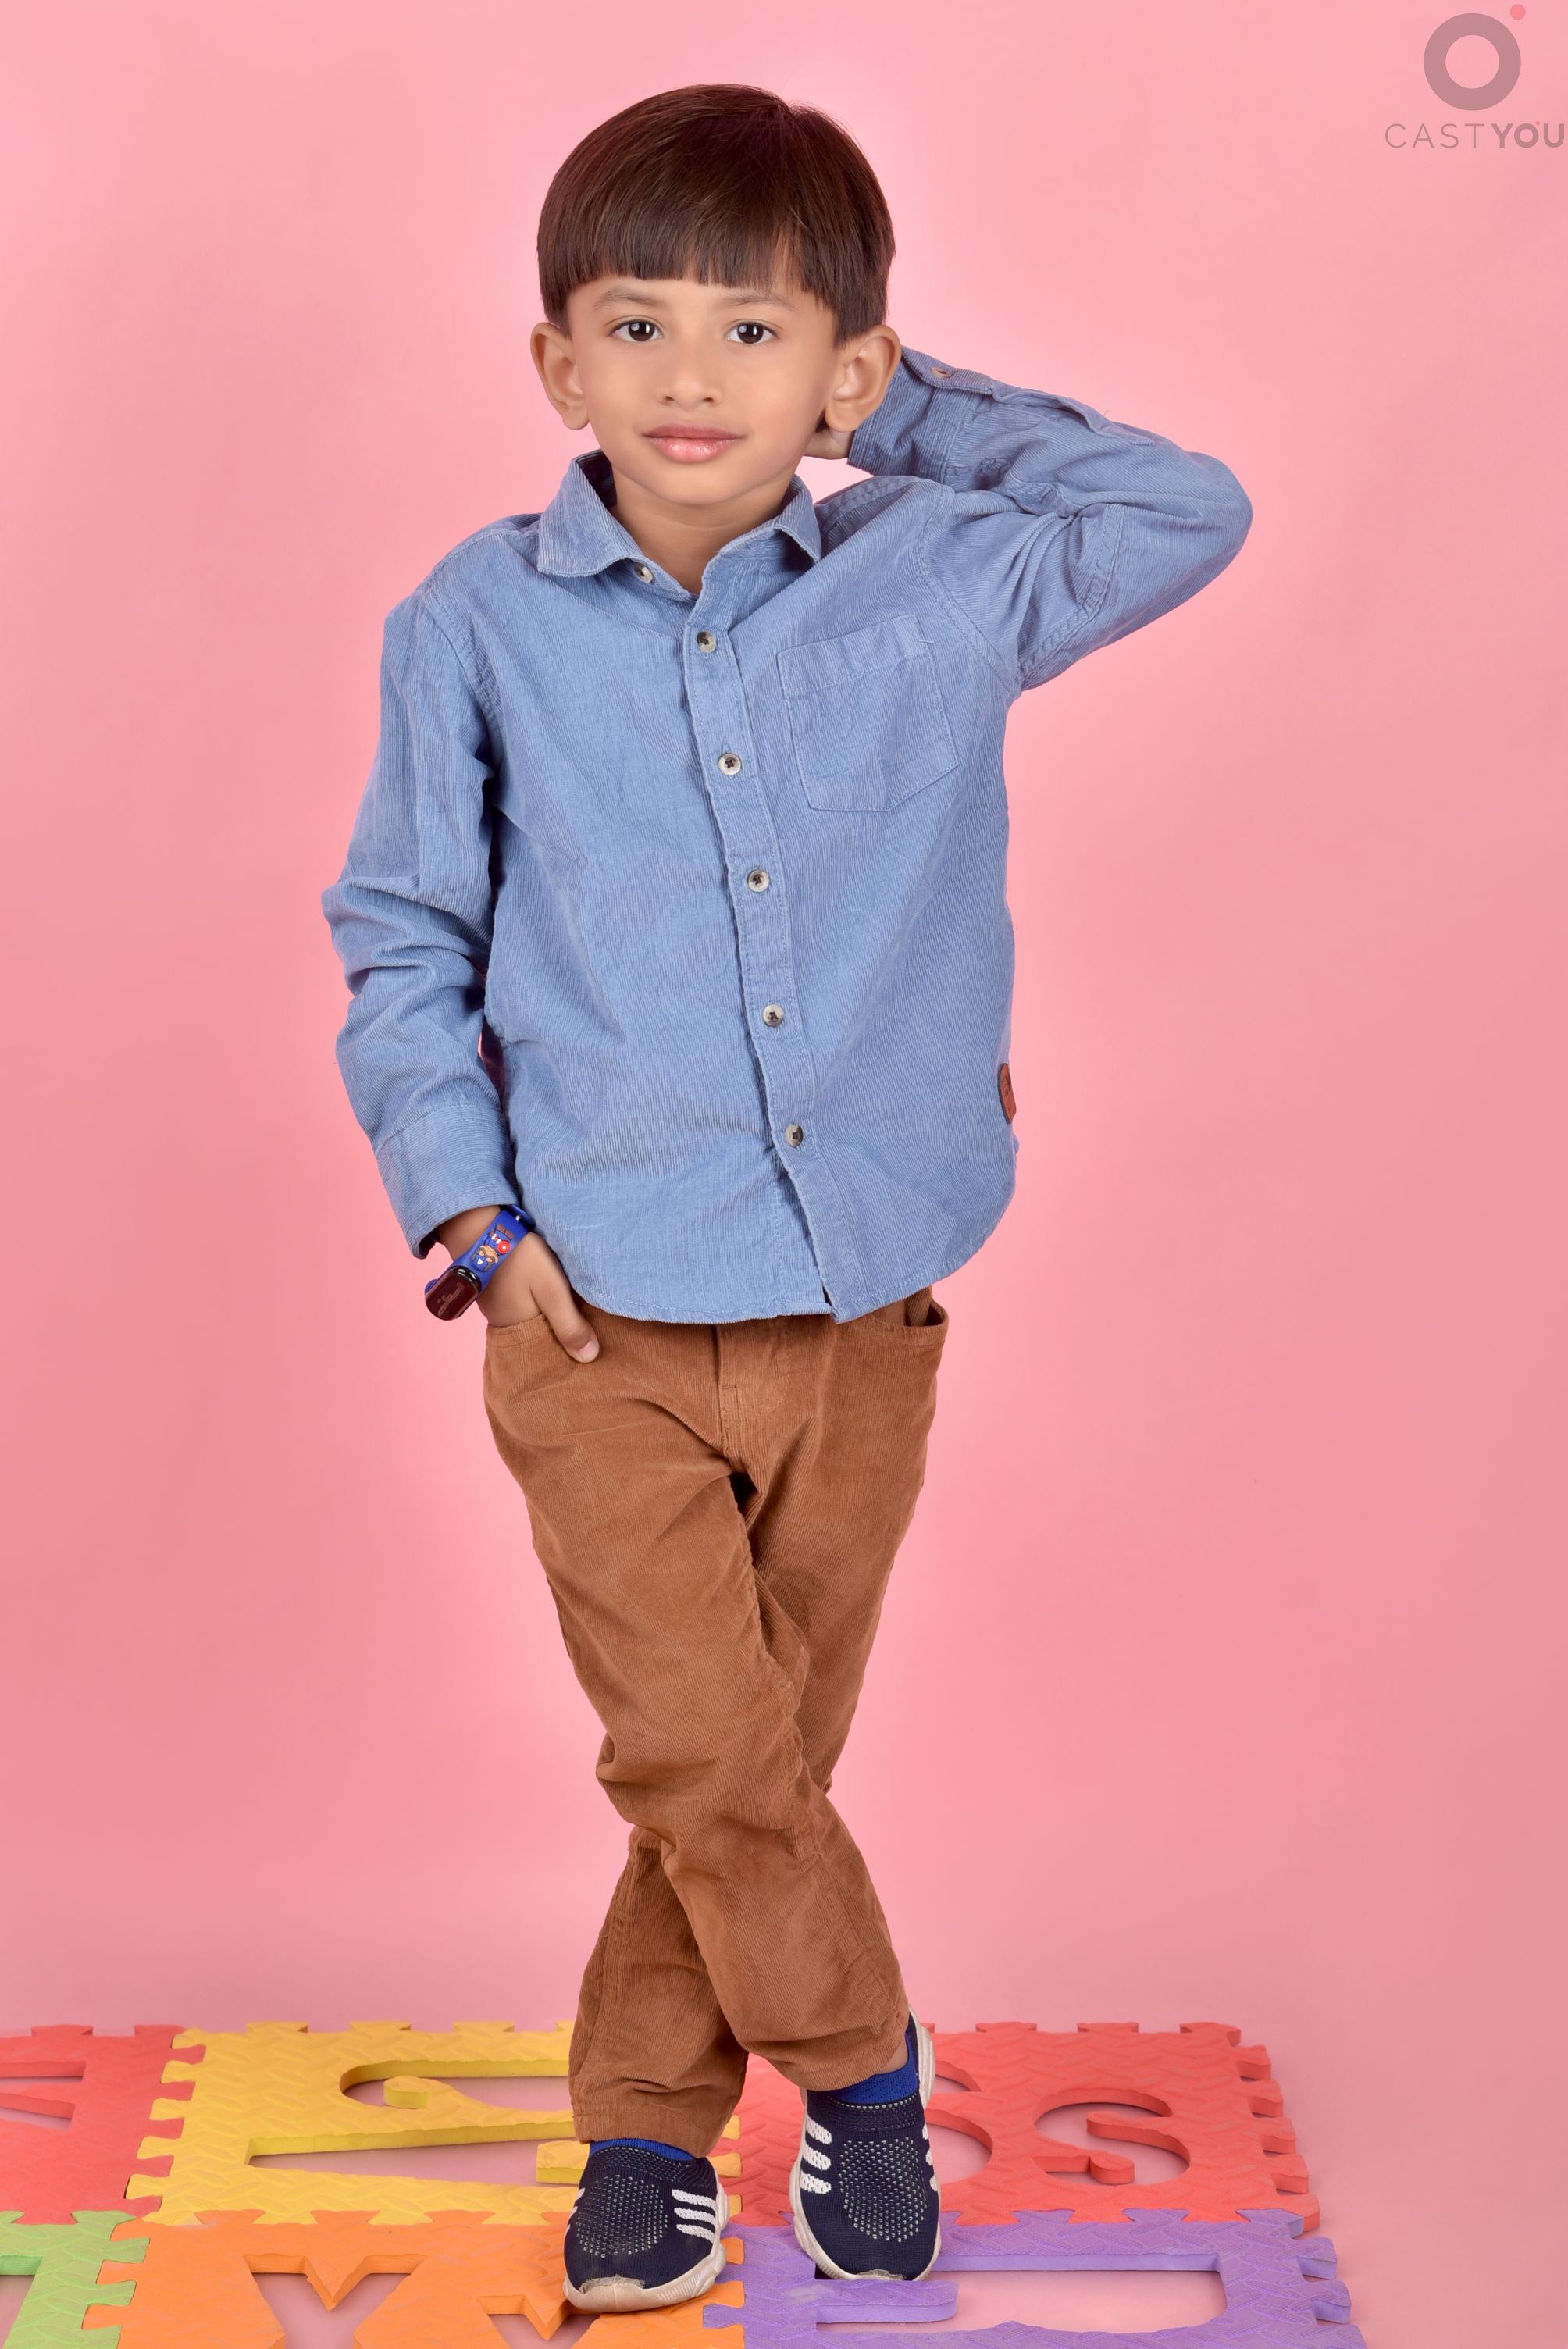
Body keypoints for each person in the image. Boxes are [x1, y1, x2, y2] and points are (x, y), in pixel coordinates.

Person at [322, 81, 1251, 2312]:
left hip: (866, 1298)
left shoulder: (949, 577)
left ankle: (648, 2135)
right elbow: (404, 931)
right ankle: (857, 2073)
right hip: (591, 1302)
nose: (690, 378)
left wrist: (890, 411)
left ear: (846, 366)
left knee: (755, 1759)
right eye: (635, 325)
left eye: (754, 332)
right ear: (556, 363)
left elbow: (1188, 506)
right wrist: (470, 1219)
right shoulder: (474, 622)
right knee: (694, 1742)